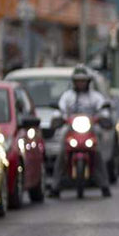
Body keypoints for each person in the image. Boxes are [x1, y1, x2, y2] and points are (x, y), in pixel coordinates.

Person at [49, 64, 111, 198]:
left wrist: (103, 118)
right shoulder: (67, 96)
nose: (81, 83)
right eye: (78, 80)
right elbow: (59, 110)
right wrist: (57, 119)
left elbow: (103, 110)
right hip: (71, 131)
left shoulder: (95, 97)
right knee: (61, 154)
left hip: (90, 131)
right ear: (73, 82)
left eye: (83, 80)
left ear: (88, 81)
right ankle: (55, 186)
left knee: (98, 153)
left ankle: (104, 185)